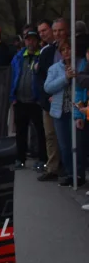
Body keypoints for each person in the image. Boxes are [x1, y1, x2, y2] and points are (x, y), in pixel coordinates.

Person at [44, 39, 86, 186]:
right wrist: (65, 78)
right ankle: (70, 173)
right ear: (60, 53)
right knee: (64, 145)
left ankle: (79, 174)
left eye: (69, 49)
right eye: (63, 50)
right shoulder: (54, 68)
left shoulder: (81, 64)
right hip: (60, 111)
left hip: (76, 110)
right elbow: (48, 87)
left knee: (78, 144)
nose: (67, 52)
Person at [10, 29, 47, 170]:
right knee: (21, 131)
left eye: (33, 39)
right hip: (20, 100)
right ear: (24, 41)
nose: (30, 42)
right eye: (28, 39)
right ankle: (20, 158)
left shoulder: (41, 55)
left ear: (37, 41)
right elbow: (13, 76)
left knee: (40, 131)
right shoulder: (19, 56)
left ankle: (42, 158)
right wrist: (12, 96)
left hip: (35, 101)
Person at [36, 19, 60, 181]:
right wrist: (44, 98)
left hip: (61, 97)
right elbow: (40, 77)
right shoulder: (45, 51)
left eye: (45, 30)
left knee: (62, 134)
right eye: (40, 32)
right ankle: (53, 167)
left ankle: (67, 167)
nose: (43, 34)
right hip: (47, 100)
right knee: (50, 135)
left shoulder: (62, 49)